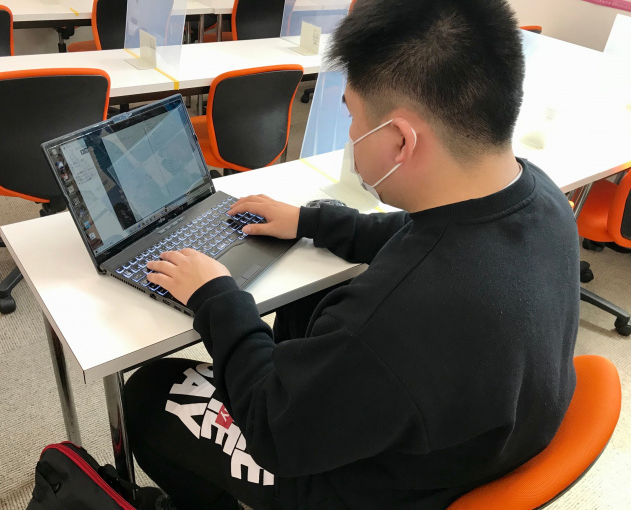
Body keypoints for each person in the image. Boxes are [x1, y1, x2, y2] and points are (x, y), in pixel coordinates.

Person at [125, 0, 580, 508]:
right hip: (474, 442)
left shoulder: (398, 317)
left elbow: (271, 426)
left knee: (150, 394)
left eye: (353, 117)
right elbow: (416, 232)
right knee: (306, 306)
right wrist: (310, 222)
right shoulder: (541, 197)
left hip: (370, 488)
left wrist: (216, 297)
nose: (350, 134)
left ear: (400, 140)